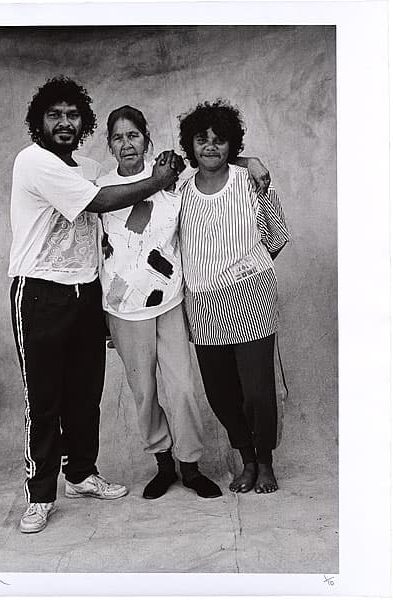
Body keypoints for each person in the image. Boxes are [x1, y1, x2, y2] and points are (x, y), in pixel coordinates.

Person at [8, 77, 181, 533]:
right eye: (54, 115)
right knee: (44, 400)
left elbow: (127, 183)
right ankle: (40, 495)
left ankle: (81, 475)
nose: (64, 123)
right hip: (41, 292)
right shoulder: (35, 162)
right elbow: (103, 200)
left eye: (72, 115)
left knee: (85, 396)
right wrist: (159, 178)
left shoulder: (84, 164)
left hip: (86, 293)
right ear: (39, 122)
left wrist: (168, 168)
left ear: (83, 123)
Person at [98, 105, 272, 500]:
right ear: (109, 145)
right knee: (144, 393)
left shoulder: (172, 180)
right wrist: (99, 315)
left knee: (183, 390)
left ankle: (190, 467)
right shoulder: (100, 189)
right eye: (118, 137)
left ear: (147, 139)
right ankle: (163, 465)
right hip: (123, 310)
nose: (127, 144)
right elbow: (95, 252)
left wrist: (250, 159)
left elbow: (212, 163)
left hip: (172, 302)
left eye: (134, 135)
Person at [178, 100, 290, 494]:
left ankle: (266, 462)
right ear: (189, 145)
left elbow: (275, 235)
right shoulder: (179, 191)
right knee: (222, 393)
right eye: (202, 139)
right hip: (204, 306)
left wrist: (246, 270)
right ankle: (246, 459)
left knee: (258, 391)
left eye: (220, 140)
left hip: (251, 299)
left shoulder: (251, 181)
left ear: (233, 145)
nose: (211, 147)